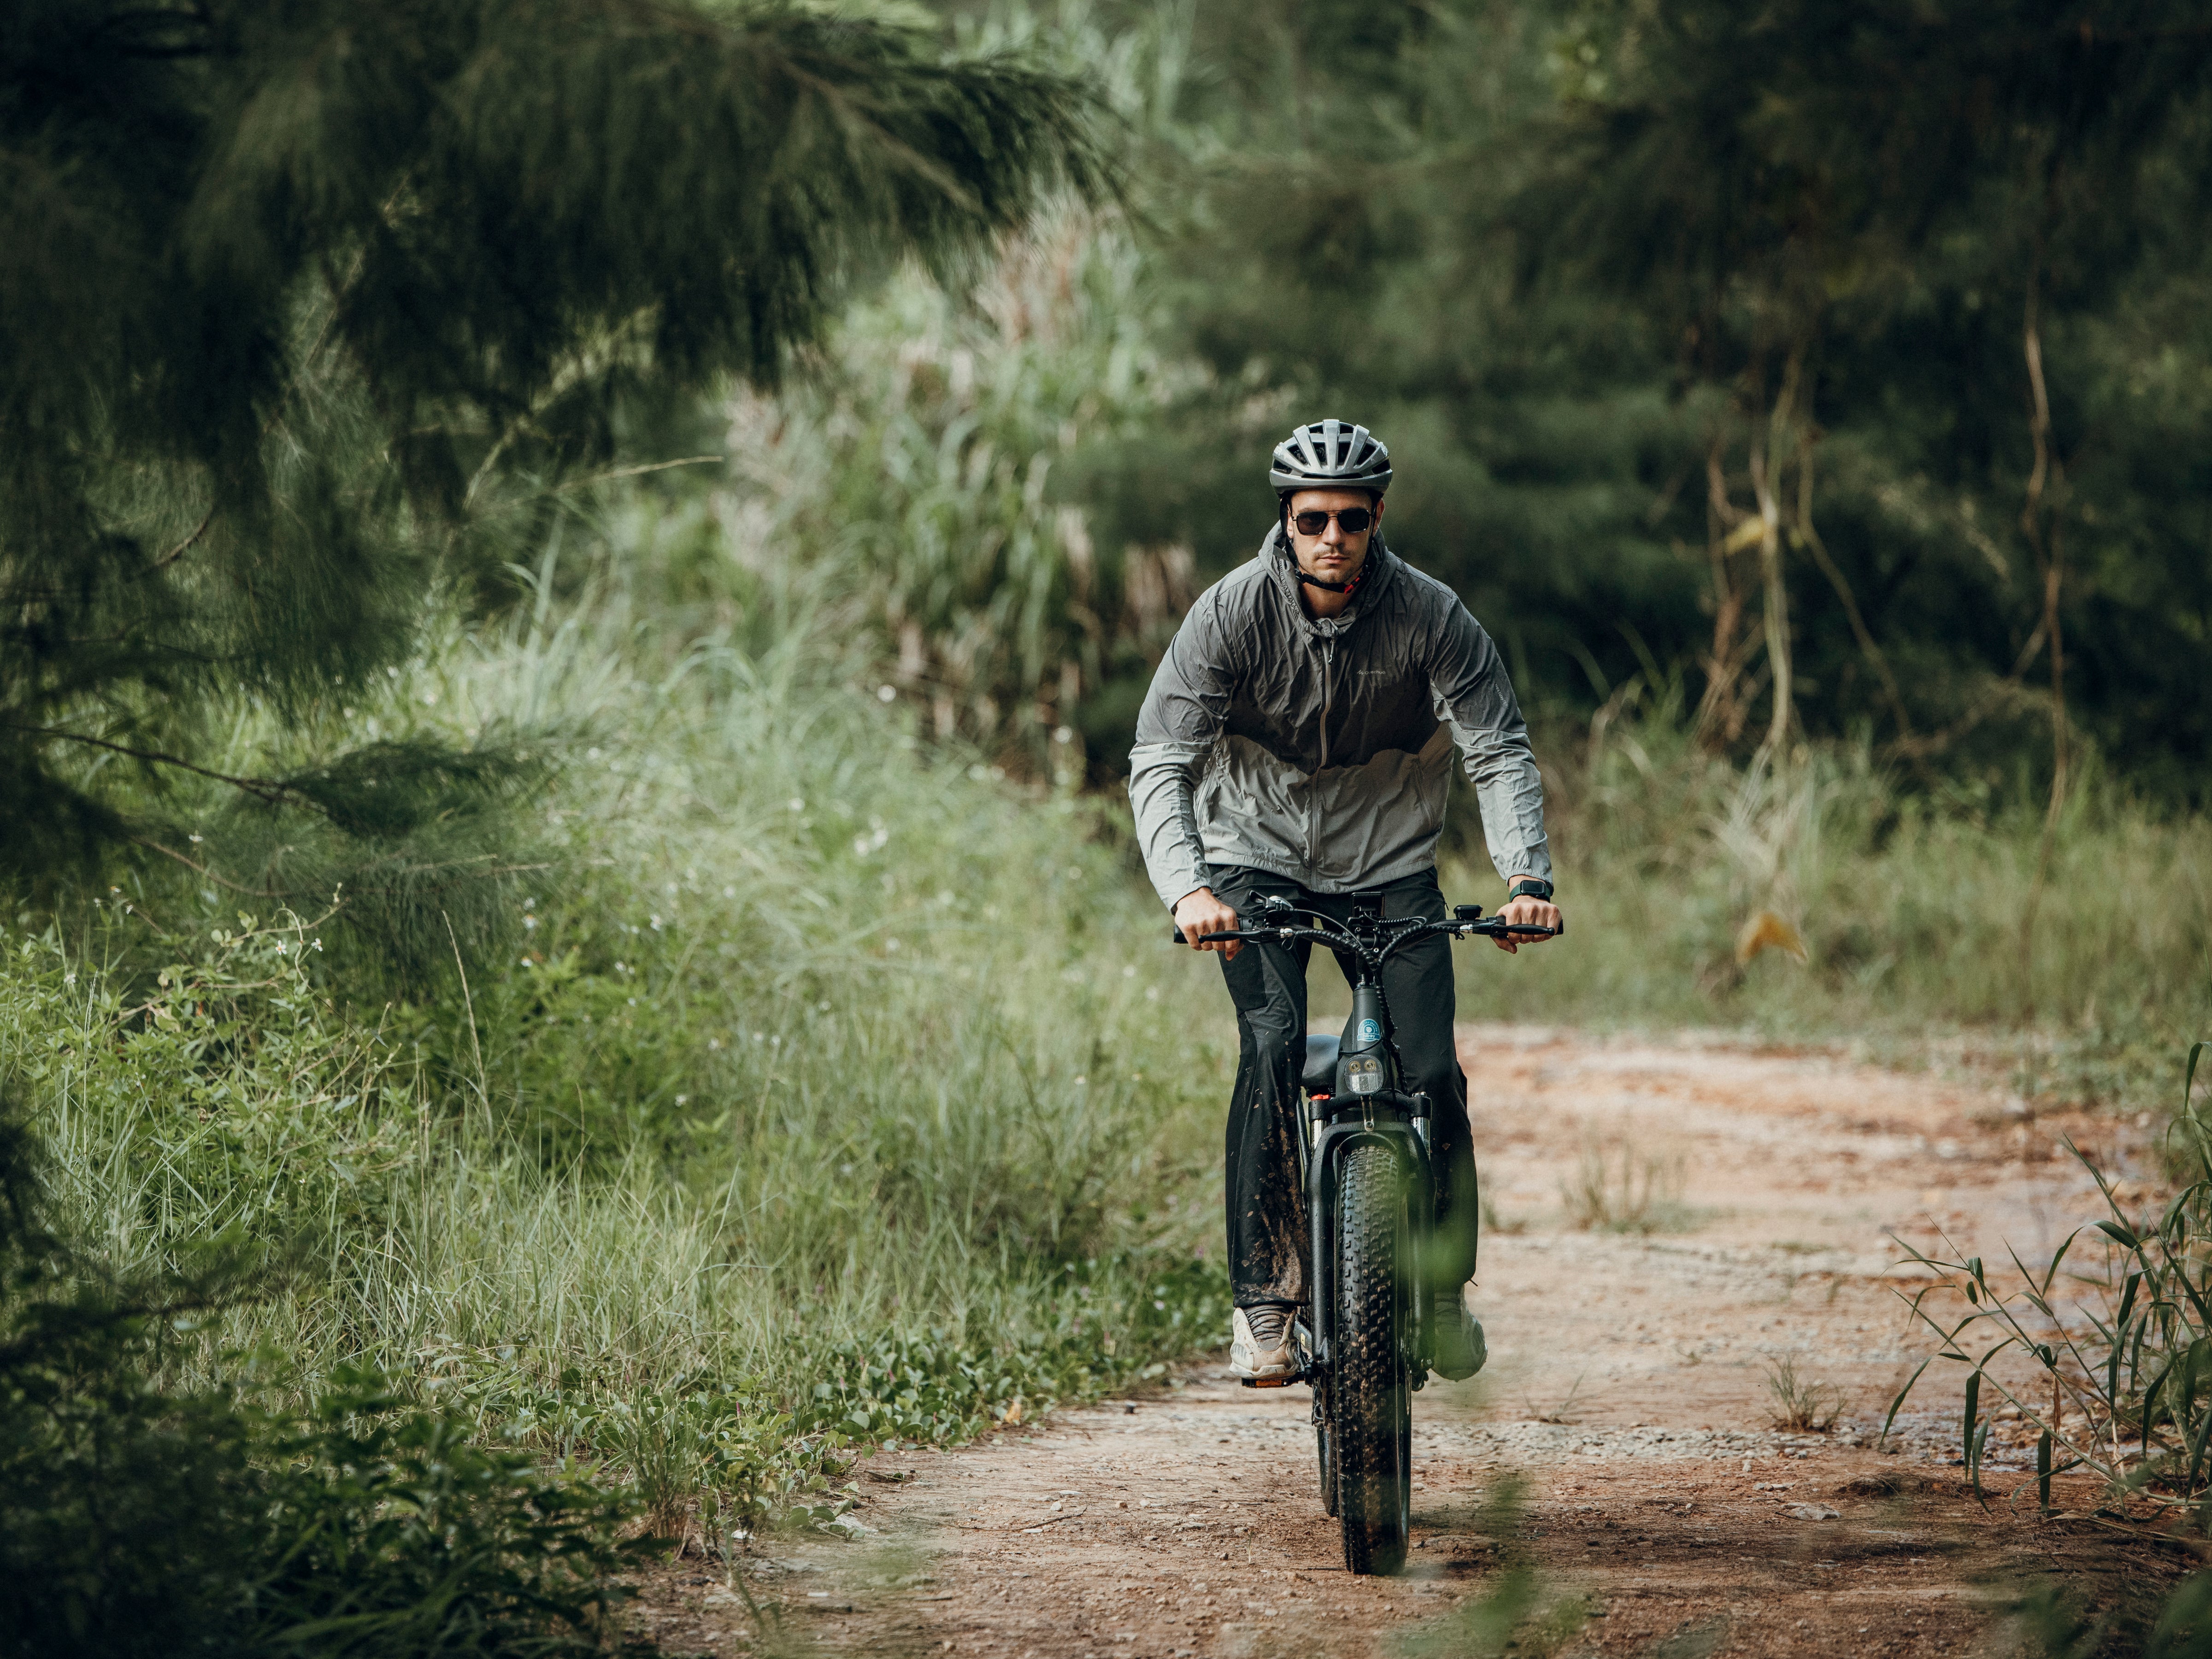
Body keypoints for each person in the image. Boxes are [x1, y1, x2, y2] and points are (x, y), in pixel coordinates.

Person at [1127, 418, 1561, 1383]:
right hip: (1253, 862)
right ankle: (1264, 1306)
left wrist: (1526, 878)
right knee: (1274, 1046)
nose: (1332, 536)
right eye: (1313, 518)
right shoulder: (1231, 614)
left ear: (1377, 520)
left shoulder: (1433, 618)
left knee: (1435, 1071)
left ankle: (1442, 1292)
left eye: (1352, 519)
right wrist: (1189, 888)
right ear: (1285, 520)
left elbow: (1498, 749)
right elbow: (1162, 760)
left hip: (1388, 868)